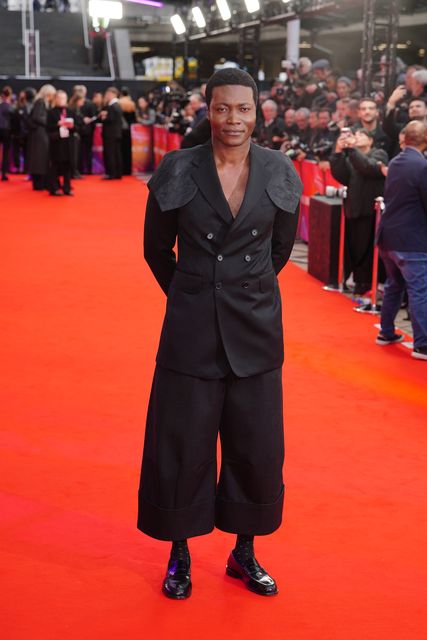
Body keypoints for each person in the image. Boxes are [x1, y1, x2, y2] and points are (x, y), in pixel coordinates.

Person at [137, 68, 302, 600]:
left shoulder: (280, 170)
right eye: (223, 108)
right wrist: (195, 293)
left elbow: (279, 251)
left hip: (255, 333)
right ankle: (179, 554)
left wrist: (238, 291)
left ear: (259, 112)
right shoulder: (177, 168)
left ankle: (244, 552)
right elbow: (155, 250)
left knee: (256, 447)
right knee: (180, 445)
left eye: (245, 109)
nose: (234, 119)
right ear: (208, 109)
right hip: (190, 334)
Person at [376, 121, 427, 361]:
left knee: (394, 287)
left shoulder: (395, 163)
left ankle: (386, 333)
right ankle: (423, 344)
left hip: (388, 237)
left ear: (404, 139)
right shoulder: (422, 166)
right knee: (419, 291)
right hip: (411, 241)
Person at [330, 127, 388, 295]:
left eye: (361, 134)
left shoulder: (379, 153)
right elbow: (341, 175)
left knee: (368, 250)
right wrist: (339, 152)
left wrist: (352, 150)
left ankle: (368, 283)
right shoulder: (352, 156)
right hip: (353, 208)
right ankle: (355, 279)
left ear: (370, 140)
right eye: (356, 134)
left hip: (371, 211)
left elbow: (367, 167)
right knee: (353, 248)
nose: (356, 137)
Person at [27, 84, 56, 190]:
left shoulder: (41, 102)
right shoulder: (41, 102)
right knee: (39, 159)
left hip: (40, 133)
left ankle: (40, 183)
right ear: (49, 93)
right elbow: (37, 117)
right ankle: (39, 184)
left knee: (40, 159)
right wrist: (50, 122)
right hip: (40, 134)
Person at [46, 90, 75, 196]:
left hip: (68, 143)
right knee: (55, 165)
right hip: (56, 143)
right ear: (55, 99)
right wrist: (58, 124)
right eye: (60, 98)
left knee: (67, 166)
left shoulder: (70, 111)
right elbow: (47, 128)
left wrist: (71, 126)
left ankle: (67, 187)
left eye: (64, 98)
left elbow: (77, 126)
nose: (62, 100)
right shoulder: (51, 112)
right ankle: (54, 188)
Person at [99, 87, 123, 180]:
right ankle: (117, 173)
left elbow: (111, 119)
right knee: (116, 153)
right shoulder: (117, 105)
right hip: (116, 133)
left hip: (110, 134)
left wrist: (104, 117)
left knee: (111, 154)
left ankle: (111, 173)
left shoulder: (113, 106)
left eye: (107, 94)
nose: (106, 96)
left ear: (112, 94)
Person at [0, 85, 13, 181]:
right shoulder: (10, 107)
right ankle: (4, 173)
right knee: (5, 153)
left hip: (3, 129)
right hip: (6, 131)